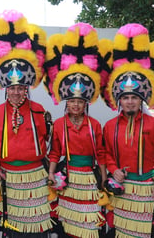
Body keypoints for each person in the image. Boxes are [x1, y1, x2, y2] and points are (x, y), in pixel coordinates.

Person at [0, 10, 53, 237]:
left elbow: (47, 141)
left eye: (20, 88)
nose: (16, 92)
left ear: (26, 88)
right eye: (12, 88)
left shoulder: (39, 110)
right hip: (7, 176)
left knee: (38, 227)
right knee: (12, 229)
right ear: (5, 89)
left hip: (35, 176)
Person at [102, 23, 154, 237]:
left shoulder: (153, 124)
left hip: (149, 188)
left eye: (134, 97)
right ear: (119, 101)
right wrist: (113, 169)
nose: (130, 102)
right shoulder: (110, 126)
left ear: (141, 100)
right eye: (126, 98)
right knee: (123, 232)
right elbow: (106, 154)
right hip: (122, 190)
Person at [44, 23, 108, 237]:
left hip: (89, 178)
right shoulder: (59, 124)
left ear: (86, 104)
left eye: (80, 102)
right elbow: (54, 152)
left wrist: (104, 178)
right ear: (66, 103)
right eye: (72, 101)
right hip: (68, 176)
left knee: (89, 221)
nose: (76, 105)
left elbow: (100, 154)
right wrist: (52, 174)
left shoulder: (95, 125)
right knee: (68, 220)